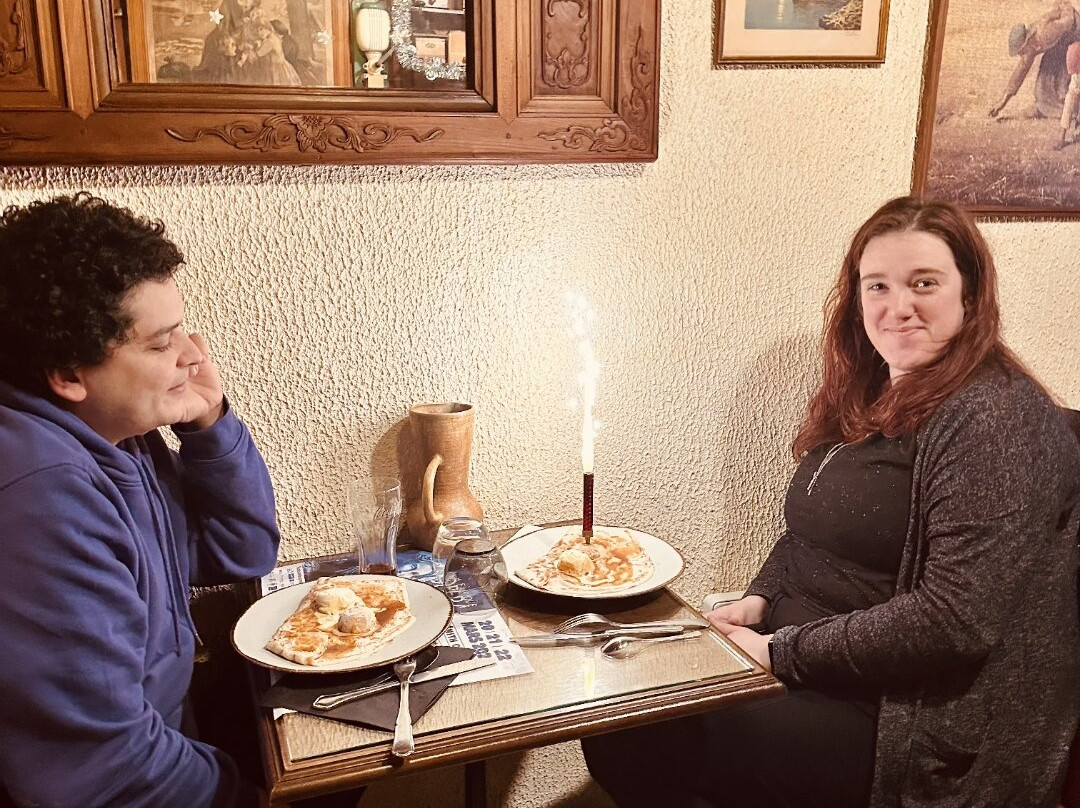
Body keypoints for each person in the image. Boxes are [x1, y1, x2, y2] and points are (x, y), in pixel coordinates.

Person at [581, 196, 1080, 808]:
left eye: (924, 283)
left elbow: (955, 621)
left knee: (645, 725)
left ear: (970, 295)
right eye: (878, 286)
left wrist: (778, 652)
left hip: (907, 718)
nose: (898, 307)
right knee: (617, 706)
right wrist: (759, 598)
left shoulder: (995, 417)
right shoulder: (871, 389)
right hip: (808, 656)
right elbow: (808, 532)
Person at [0, 193, 281, 807]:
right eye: (159, 344)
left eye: (181, 327)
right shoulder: (40, 496)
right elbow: (102, 770)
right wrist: (249, 799)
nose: (193, 354)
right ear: (68, 374)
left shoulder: (120, 435)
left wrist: (209, 422)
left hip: (174, 730)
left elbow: (241, 552)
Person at [990, 0, 1080, 119]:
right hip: (1060, 43)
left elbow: (1068, 20)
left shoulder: (1046, 32)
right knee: (1043, 83)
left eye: (1021, 51)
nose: (1022, 55)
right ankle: (1050, 108)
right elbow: (1021, 70)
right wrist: (1002, 102)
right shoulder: (1031, 47)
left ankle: (1071, 110)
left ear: (1027, 42)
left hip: (1074, 34)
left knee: (1065, 75)